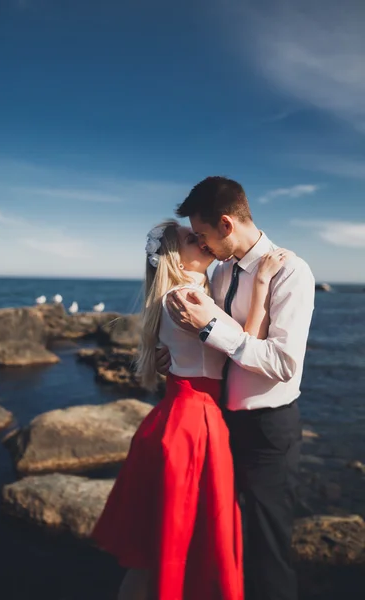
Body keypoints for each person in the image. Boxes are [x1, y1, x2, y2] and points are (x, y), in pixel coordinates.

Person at [91, 218, 291, 600]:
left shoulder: (186, 292)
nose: (201, 240)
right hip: (194, 423)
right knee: (173, 544)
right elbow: (245, 343)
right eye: (190, 239)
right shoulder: (188, 298)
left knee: (157, 548)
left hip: (180, 416)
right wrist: (263, 281)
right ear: (176, 259)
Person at [157, 177, 315, 600]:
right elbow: (229, 341)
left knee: (268, 550)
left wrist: (209, 328)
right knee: (224, 543)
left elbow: (283, 363)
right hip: (219, 426)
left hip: (267, 432)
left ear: (226, 224)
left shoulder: (291, 272)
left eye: (205, 234)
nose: (203, 245)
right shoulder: (221, 269)